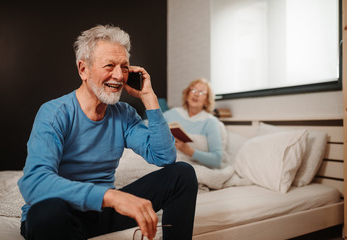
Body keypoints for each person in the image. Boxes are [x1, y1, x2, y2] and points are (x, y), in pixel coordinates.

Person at [17, 24, 198, 240]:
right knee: (45, 213)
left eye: (124, 67)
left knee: (182, 174)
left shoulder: (124, 114)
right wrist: (112, 197)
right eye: (110, 66)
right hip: (63, 211)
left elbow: (165, 156)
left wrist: (148, 98)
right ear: (83, 69)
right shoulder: (54, 113)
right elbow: (34, 183)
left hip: (102, 213)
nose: (119, 76)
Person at [163, 78, 224, 169]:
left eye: (201, 92)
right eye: (194, 90)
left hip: (190, 166)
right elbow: (149, 125)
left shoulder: (210, 122)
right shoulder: (172, 113)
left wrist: (190, 151)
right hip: (166, 160)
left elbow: (217, 160)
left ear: (207, 100)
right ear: (187, 94)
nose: (196, 94)